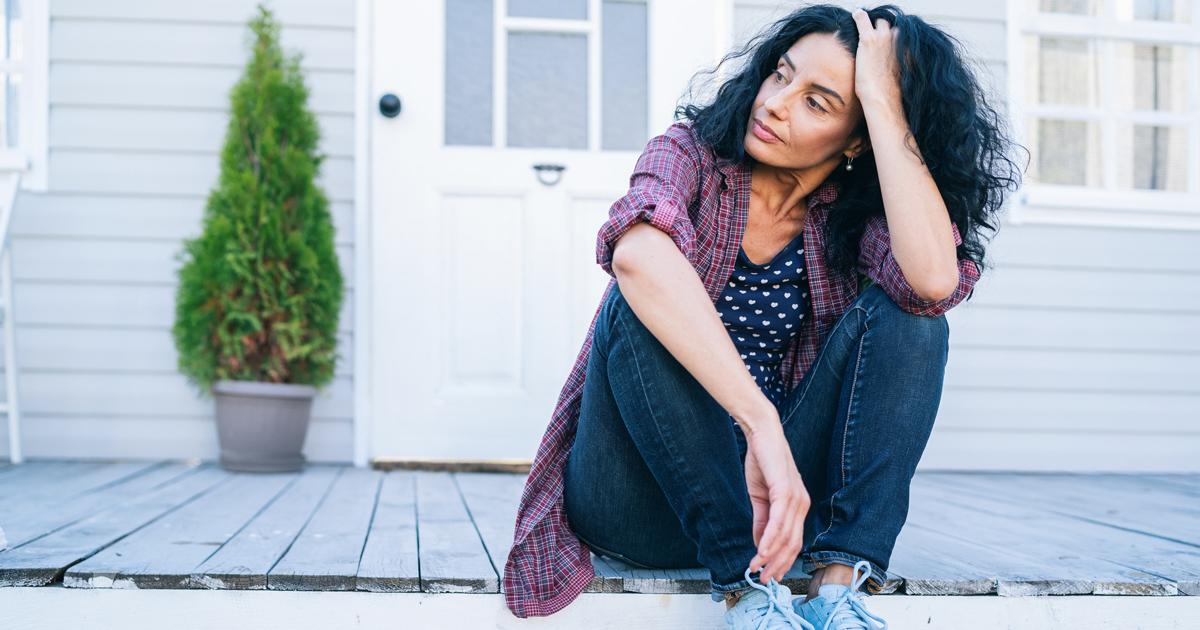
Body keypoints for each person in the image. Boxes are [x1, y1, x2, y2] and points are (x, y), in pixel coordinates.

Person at [504, 5, 1022, 629]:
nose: (774, 103)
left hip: (769, 507)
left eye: (817, 102)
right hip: (635, 496)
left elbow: (933, 282)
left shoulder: (851, 219)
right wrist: (760, 426)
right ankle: (749, 595)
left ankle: (839, 591)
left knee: (914, 319)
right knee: (635, 294)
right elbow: (636, 251)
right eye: (781, 74)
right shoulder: (690, 156)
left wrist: (883, 108)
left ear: (856, 139)